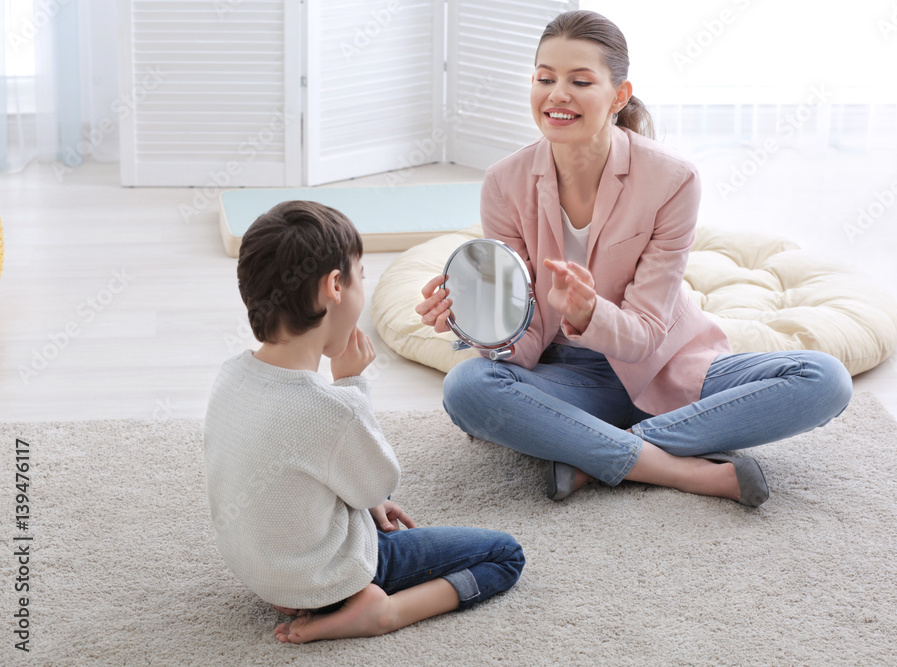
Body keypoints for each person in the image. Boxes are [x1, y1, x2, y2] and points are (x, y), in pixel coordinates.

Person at [416, 10, 852, 506]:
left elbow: (646, 333)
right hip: (567, 376)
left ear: (619, 96)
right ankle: (682, 469)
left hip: (668, 364)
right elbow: (525, 336)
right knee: (468, 386)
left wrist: (587, 313)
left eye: (580, 81)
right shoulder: (504, 181)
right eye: (544, 79)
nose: (557, 94)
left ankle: (590, 453)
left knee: (824, 380)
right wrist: (475, 322)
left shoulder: (672, 179)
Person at [204, 201, 524, 644]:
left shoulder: (231, 375)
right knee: (505, 555)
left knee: (339, 470)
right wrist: (353, 385)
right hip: (327, 578)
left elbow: (334, 479)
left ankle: (306, 592)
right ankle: (381, 612)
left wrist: (371, 507)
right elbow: (379, 481)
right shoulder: (332, 408)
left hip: (262, 573)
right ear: (335, 286)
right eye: (362, 276)